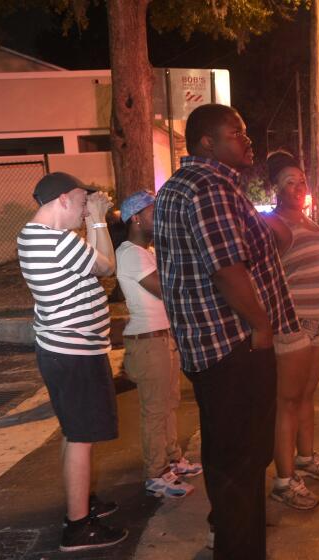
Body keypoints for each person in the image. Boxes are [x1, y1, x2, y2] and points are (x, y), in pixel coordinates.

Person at [153, 103, 303, 560]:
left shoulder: (182, 186)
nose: (248, 139)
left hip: (208, 347)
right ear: (207, 143)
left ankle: (227, 531)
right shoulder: (209, 186)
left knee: (225, 453)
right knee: (244, 460)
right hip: (233, 344)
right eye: (236, 133)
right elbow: (226, 269)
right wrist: (260, 326)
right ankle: (240, 548)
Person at [17, 172, 128, 552]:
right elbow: (106, 267)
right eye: (82, 202)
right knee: (81, 438)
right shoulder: (58, 242)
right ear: (63, 200)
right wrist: (99, 219)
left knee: (74, 432)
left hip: (62, 349)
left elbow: (96, 263)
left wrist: (94, 218)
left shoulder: (31, 236)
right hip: (76, 352)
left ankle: (82, 502)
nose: (85, 210)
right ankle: (78, 527)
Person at [263, 150, 319, 511]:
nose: (296, 187)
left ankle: (305, 460)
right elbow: (258, 276)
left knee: (306, 397)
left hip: (318, 324)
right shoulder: (273, 225)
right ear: (274, 188)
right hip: (292, 327)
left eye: (301, 181)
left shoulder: (310, 223)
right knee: (287, 403)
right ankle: (283, 480)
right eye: (287, 181)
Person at [115, 191, 202, 499]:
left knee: (168, 404)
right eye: (154, 213)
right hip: (148, 341)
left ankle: (173, 459)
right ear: (135, 218)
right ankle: (156, 474)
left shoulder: (146, 251)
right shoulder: (130, 253)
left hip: (161, 337)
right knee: (154, 410)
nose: (159, 219)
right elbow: (167, 290)